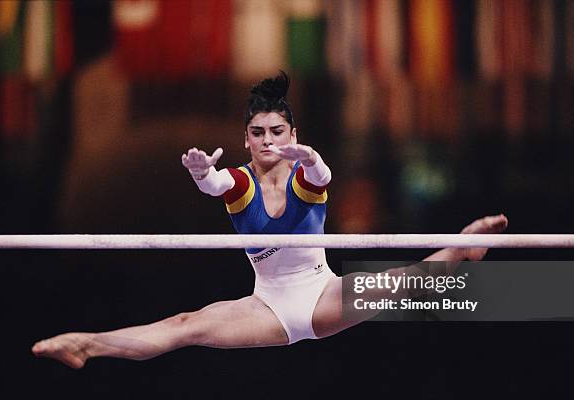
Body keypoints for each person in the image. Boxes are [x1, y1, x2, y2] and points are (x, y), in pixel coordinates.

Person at [32, 72, 508, 368]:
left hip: (321, 293)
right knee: (185, 324)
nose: (267, 140)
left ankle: (463, 246)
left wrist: (313, 158)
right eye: (257, 133)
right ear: (245, 139)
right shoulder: (240, 184)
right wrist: (202, 174)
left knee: (409, 280)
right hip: (267, 306)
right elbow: (218, 186)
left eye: (276, 131)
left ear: (292, 133)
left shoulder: (306, 175)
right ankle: (86, 344)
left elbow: (321, 176)